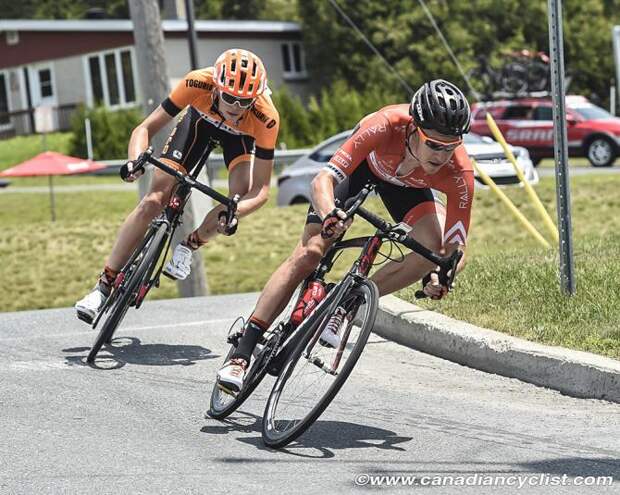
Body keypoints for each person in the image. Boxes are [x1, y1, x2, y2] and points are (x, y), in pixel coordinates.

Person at [216, 79, 474, 393]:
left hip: (408, 189)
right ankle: (243, 352)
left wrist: (441, 276)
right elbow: (322, 181)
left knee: (431, 250)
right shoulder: (383, 125)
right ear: (413, 128)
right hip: (360, 171)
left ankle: (347, 302)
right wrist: (329, 214)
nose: (442, 155)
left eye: (451, 147)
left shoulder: (460, 172)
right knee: (311, 252)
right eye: (433, 144)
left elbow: (455, 248)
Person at [75, 48, 280, 323]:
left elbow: (262, 190)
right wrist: (135, 162)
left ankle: (190, 245)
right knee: (153, 200)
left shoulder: (266, 117)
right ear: (217, 86)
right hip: (198, 124)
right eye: (230, 97)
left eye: (245, 101)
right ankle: (103, 285)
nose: (236, 107)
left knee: (236, 196)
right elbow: (144, 129)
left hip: (240, 139)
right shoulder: (198, 81)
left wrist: (235, 212)